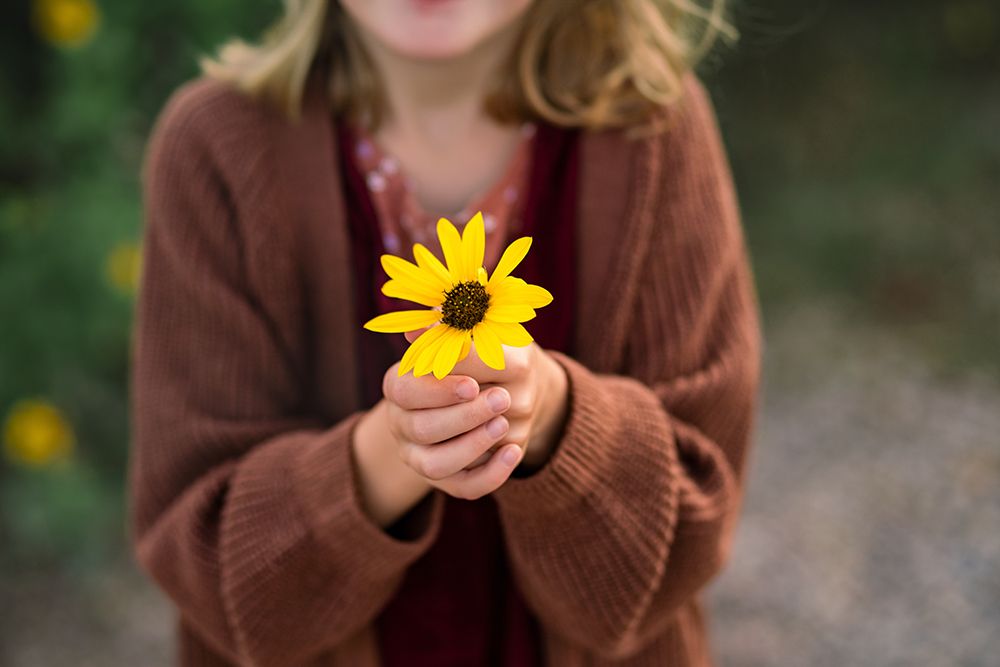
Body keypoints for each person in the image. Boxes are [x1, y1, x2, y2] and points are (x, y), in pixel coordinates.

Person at [128, 1, 762, 665]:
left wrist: (553, 417)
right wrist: (396, 447)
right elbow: (204, 556)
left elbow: (696, 513)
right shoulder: (215, 147)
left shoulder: (653, 127)